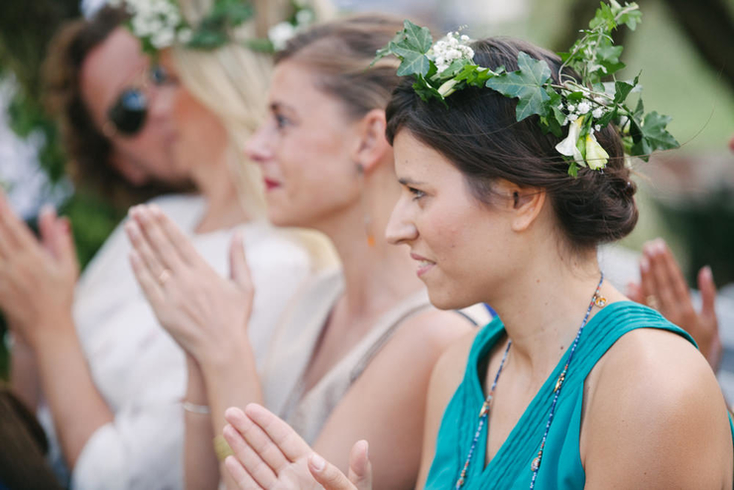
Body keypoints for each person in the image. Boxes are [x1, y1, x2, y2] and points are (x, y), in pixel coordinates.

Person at [219, 30, 734, 490]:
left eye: (419, 193)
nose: (397, 228)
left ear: (520, 199)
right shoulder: (460, 370)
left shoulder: (649, 387)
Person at [126, 13, 489, 490]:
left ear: (366, 138)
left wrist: (226, 354)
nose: (255, 147)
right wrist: (199, 350)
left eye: (282, 120)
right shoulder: (315, 297)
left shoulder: (432, 338)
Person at [2, 3, 314, 489]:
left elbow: (124, 480)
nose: (155, 101)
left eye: (160, 75)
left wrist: (50, 328)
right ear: (123, 163)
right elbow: (32, 437)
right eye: (129, 108)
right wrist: (28, 324)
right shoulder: (161, 218)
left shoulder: (276, 261)